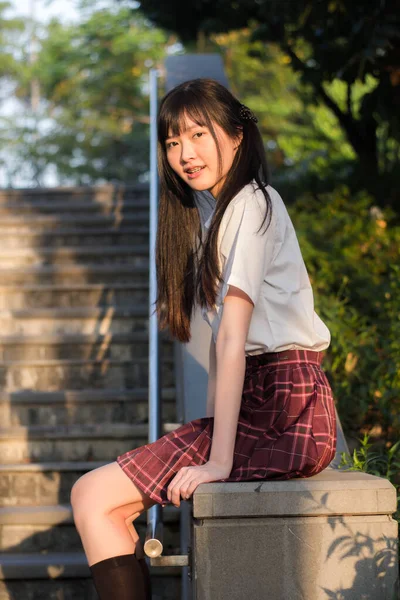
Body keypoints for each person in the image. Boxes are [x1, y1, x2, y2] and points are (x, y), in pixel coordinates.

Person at [70, 78, 337, 600]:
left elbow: (235, 339)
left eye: (198, 134)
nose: (185, 154)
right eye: (172, 142)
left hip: (286, 407)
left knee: (92, 495)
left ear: (237, 135)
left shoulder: (253, 203)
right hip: (270, 403)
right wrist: (209, 431)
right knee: (105, 503)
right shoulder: (216, 216)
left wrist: (217, 459)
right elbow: (222, 347)